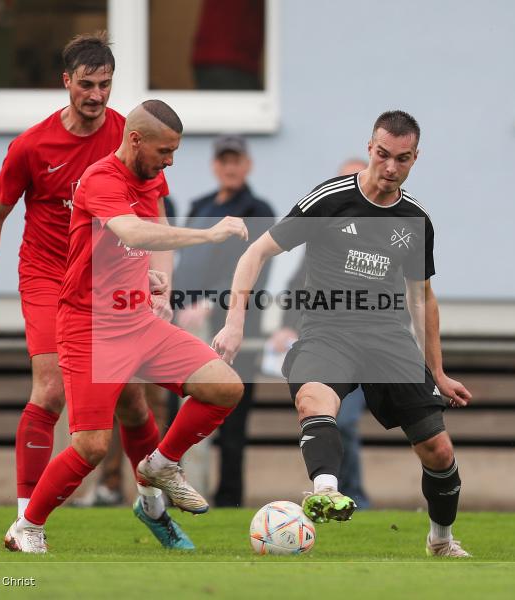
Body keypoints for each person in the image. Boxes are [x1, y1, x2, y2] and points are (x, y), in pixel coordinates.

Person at [0, 32, 190, 549]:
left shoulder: (129, 134)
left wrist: (162, 288)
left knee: (132, 399)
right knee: (50, 388)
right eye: (87, 85)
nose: (97, 95)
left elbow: (154, 213)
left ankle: (152, 505)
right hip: (48, 277)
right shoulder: (32, 145)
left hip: (110, 279)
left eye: (105, 84)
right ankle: (26, 519)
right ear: (66, 82)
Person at [214, 111, 474, 557]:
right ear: (371, 147)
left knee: (438, 449)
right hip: (328, 331)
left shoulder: (415, 220)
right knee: (313, 399)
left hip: (388, 339)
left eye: (403, 159)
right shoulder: (329, 200)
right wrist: (235, 320)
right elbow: (256, 252)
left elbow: (422, 298)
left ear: (416, 158)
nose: (391, 167)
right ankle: (326, 489)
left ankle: (441, 540)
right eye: (383, 155)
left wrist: (439, 370)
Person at [4, 100, 247, 554]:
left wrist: (157, 287)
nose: (170, 161)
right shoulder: (99, 179)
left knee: (226, 387)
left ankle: (160, 465)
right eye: (165, 150)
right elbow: (134, 233)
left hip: (138, 319)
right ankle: (28, 525)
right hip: (89, 329)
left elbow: (145, 232)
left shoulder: (150, 175)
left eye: (175, 151)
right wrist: (209, 234)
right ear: (134, 140)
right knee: (91, 447)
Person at [175, 135, 275, 507]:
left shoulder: (258, 208)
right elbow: (183, 259)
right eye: (223, 160)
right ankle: (181, 494)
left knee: (232, 425)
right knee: (182, 416)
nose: (229, 167)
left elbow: (255, 269)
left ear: (247, 165)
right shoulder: (200, 206)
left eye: (236, 161)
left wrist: (209, 302)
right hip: (185, 330)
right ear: (215, 165)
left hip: (235, 331)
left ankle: (229, 500)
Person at [269, 157, 372, 509]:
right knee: (324, 416)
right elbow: (298, 284)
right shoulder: (322, 236)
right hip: (325, 348)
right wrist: (286, 325)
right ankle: (331, 490)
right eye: (341, 182)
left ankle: (354, 493)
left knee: (342, 420)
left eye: (353, 182)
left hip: (366, 350)